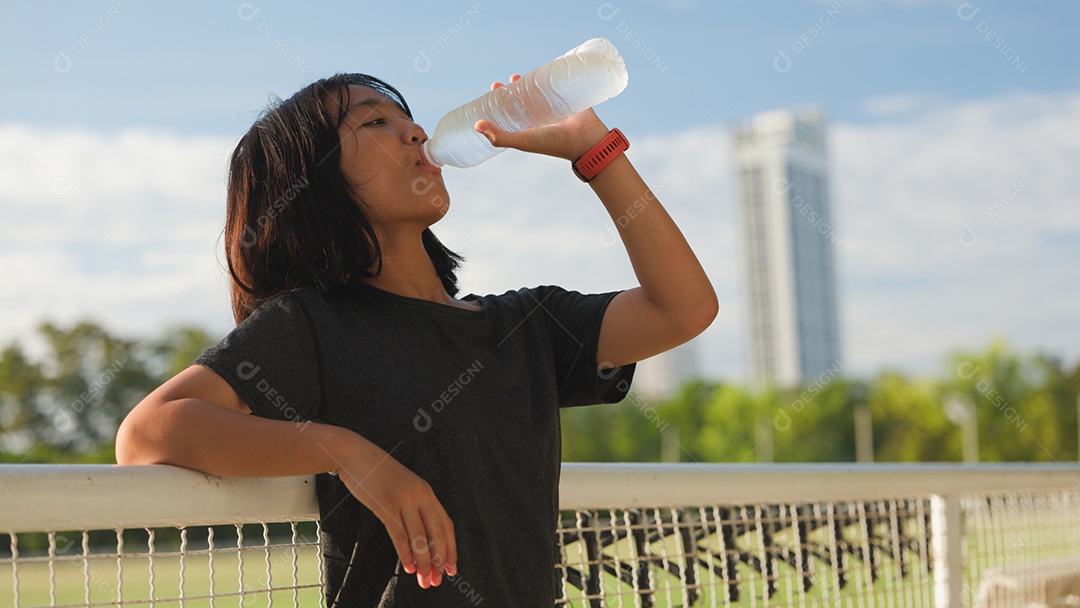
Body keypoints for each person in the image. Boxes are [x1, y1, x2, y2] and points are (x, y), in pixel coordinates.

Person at [115, 71, 717, 607]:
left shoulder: (528, 324)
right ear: (313, 183)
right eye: (376, 121)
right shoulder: (312, 326)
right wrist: (348, 453)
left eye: (407, 118)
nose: (415, 133)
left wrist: (593, 148)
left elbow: (683, 309)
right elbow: (146, 434)